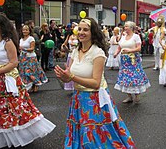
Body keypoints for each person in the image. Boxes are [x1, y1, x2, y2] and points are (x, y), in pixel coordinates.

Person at [54, 18, 135, 148]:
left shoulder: (98, 52)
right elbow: (70, 76)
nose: (81, 32)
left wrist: (71, 76)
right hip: (78, 98)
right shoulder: (75, 51)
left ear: (93, 32)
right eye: (79, 29)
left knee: (94, 135)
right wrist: (63, 76)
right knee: (81, 132)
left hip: (95, 99)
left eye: (85, 30)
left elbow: (95, 83)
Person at [0, 13, 55, 148]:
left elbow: (13, 62)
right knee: (0, 110)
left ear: (0, 26)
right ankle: (3, 135)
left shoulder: (7, 41)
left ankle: (20, 135)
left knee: (14, 108)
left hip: (7, 79)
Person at [114, 21, 151, 103]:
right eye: (125, 26)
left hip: (133, 59)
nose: (125, 27)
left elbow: (139, 48)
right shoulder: (123, 36)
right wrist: (116, 53)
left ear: (131, 28)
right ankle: (129, 96)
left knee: (134, 77)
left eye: (126, 26)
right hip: (124, 60)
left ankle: (137, 94)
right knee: (125, 77)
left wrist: (130, 50)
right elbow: (119, 47)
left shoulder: (136, 36)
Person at [18, 25, 48, 92]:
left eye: (26, 30)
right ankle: (28, 85)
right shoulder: (21, 39)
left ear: (29, 31)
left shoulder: (31, 38)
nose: (24, 31)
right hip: (23, 58)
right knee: (23, 73)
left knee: (29, 72)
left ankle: (35, 84)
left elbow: (32, 48)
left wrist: (23, 49)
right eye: (23, 30)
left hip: (30, 57)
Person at [63, 26, 79, 90]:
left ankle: (76, 86)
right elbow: (64, 43)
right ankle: (70, 87)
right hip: (70, 54)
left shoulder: (79, 36)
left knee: (75, 71)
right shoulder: (69, 35)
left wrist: (75, 44)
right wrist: (64, 46)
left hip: (76, 54)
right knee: (70, 70)